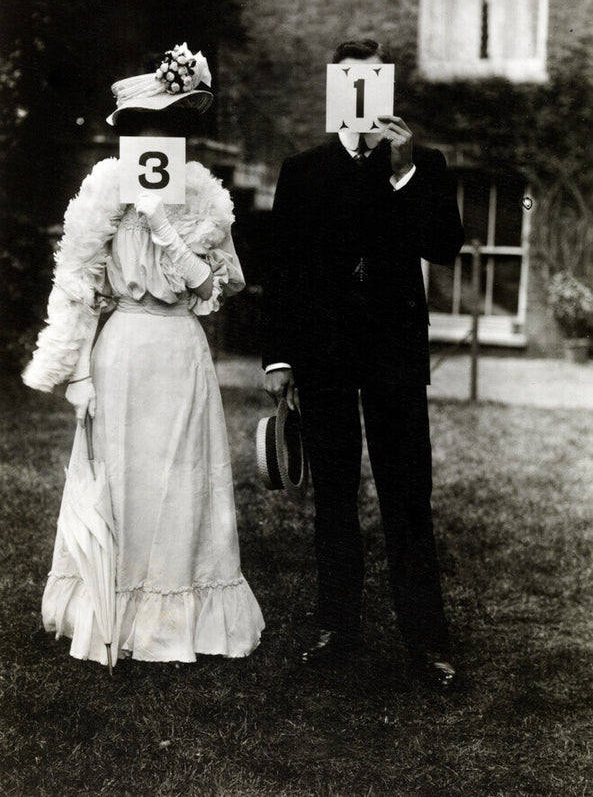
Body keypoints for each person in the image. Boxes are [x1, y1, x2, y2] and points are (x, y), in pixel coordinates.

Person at [23, 42, 264, 666]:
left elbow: (215, 290)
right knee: (122, 475)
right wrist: (77, 373)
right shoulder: (104, 188)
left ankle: (178, 613)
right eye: (145, 129)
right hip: (123, 348)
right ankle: (112, 607)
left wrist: (163, 228)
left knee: (181, 477)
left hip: (179, 348)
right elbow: (76, 283)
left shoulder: (204, 196)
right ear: (128, 135)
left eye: (170, 127)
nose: (157, 141)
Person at [262, 38, 464, 688]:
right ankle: (337, 629)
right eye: (348, 79)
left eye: (370, 79)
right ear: (335, 87)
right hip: (323, 352)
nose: (359, 91)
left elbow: (444, 246)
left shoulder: (420, 163)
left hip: (393, 352)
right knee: (333, 495)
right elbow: (283, 270)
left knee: (407, 495)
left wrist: (403, 173)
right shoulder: (303, 169)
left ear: (384, 88)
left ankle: (426, 642)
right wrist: (278, 356)